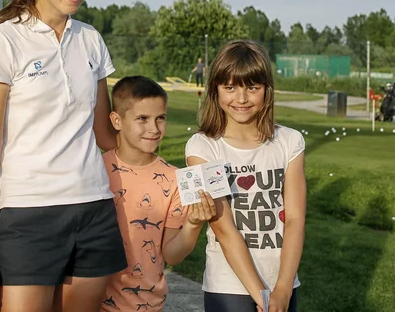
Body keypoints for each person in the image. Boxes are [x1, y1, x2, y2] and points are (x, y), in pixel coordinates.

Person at [0, 0, 127, 312]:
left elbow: (105, 134)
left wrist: (156, 149)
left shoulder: (91, 39)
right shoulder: (2, 40)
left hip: (94, 208)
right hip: (27, 213)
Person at [185, 40, 305, 312]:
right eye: (230, 87)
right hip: (228, 288)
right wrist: (262, 296)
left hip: (283, 286)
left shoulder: (290, 142)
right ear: (215, 89)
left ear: (267, 90)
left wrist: (283, 289)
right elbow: (225, 231)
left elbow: (295, 219)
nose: (241, 99)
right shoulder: (203, 147)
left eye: (252, 87)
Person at [101, 75, 216, 312]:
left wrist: (193, 225)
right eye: (142, 119)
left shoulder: (175, 180)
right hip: (92, 301)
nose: (154, 129)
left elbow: (172, 256)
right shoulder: (94, 170)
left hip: (147, 305)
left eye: (160, 118)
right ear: (117, 120)